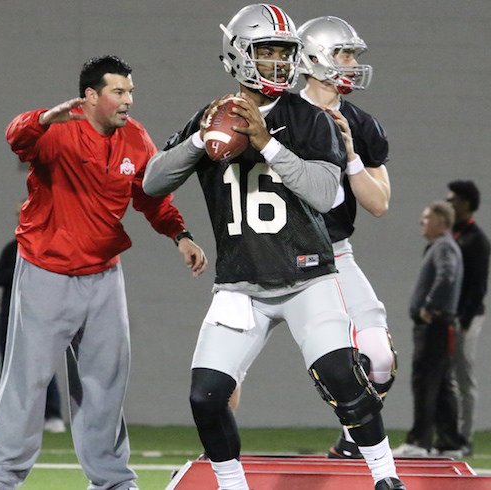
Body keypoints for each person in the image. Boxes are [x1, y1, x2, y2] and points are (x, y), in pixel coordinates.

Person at [143, 5, 404, 490]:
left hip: (308, 277)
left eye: (286, 53)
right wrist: (201, 139)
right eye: (267, 52)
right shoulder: (211, 116)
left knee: (344, 379)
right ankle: (231, 483)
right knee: (206, 395)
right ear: (238, 54)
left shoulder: (309, 119)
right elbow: (153, 182)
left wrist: (267, 145)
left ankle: (386, 477)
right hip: (242, 282)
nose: (280, 63)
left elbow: (326, 194)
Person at [0, 55, 207, 490]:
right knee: (26, 383)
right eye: (119, 92)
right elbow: (16, 137)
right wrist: (43, 117)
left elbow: (151, 197)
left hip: (103, 275)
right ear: (91, 96)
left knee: (106, 385)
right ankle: (0, 479)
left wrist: (181, 235)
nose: (128, 101)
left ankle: (113, 480)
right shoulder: (56, 129)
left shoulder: (136, 138)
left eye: (131, 92)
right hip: (47, 271)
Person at [293, 15, 397, 460]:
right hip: (268, 255)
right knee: (223, 378)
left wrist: (352, 157)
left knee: (380, 356)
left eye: (354, 55)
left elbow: (379, 204)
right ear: (314, 56)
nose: (352, 64)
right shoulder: (277, 114)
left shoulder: (362, 123)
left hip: (333, 252)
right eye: (344, 54)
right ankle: (219, 460)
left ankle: (353, 442)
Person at [393, 201, 467, 458]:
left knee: (425, 382)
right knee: (443, 385)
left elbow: (446, 275)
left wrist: (429, 306)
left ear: (441, 222)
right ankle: (449, 443)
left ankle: (418, 442)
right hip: (442, 326)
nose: (421, 222)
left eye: (426, 218)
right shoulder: (444, 246)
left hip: (434, 326)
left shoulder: (443, 246)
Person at [0, 234, 65, 433]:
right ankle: (9, 417)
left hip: (40, 315)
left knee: (42, 364)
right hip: (10, 314)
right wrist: (23, 270)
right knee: (9, 365)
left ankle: (52, 414)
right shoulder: (12, 248)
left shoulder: (50, 246)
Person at [445, 180, 491, 456]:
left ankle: (465, 437)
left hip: (466, 319)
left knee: (464, 377)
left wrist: (463, 320)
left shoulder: (476, 240)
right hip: (450, 318)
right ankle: (449, 435)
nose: (448, 204)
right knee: (448, 379)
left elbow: (478, 286)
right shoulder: (452, 236)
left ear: (465, 203)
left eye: (453, 200)